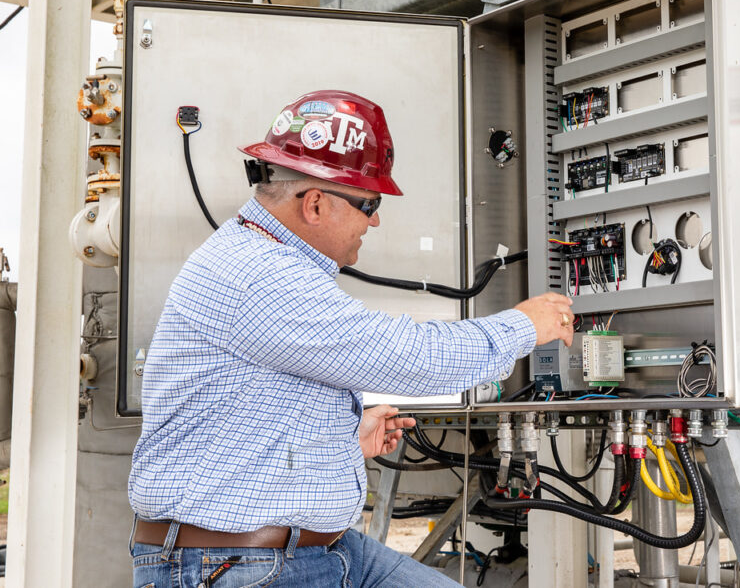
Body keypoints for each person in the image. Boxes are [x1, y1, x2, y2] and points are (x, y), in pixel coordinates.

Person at [128, 90, 574, 587]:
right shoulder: (260, 272)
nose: (376, 219)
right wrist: (523, 326)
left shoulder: (265, 260)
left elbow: (253, 402)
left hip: (313, 549)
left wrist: (336, 441)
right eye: (369, 203)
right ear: (316, 203)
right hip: (240, 565)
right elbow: (407, 357)